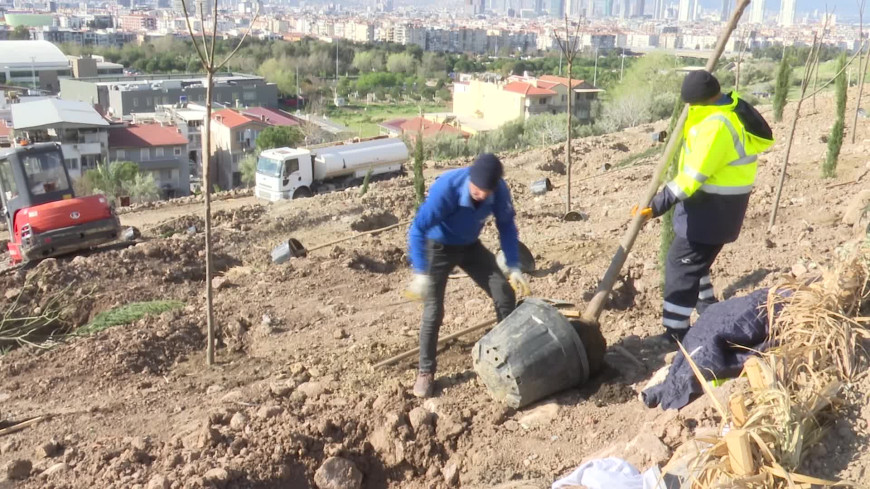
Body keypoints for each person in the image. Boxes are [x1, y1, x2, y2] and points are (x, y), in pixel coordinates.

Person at [633, 70, 774, 344]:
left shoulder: (717, 127)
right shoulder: (728, 108)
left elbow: (691, 178)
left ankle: (675, 333)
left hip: (713, 209)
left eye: (692, 104)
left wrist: (656, 205)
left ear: (701, 101)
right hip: (716, 207)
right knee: (697, 260)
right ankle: (707, 306)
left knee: (680, 264)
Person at [405, 153, 530, 398]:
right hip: (438, 247)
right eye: (476, 189)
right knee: (434, 310)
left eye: (486, 191)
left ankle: (508, 354)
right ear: (470, 179)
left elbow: (506, 225)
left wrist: (513, 266)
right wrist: (420, 272)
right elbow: (418, 228)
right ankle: (425, 372)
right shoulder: (446, 189)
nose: (480, 194)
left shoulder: (499, 190)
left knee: (504, 293)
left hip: (470, 246)